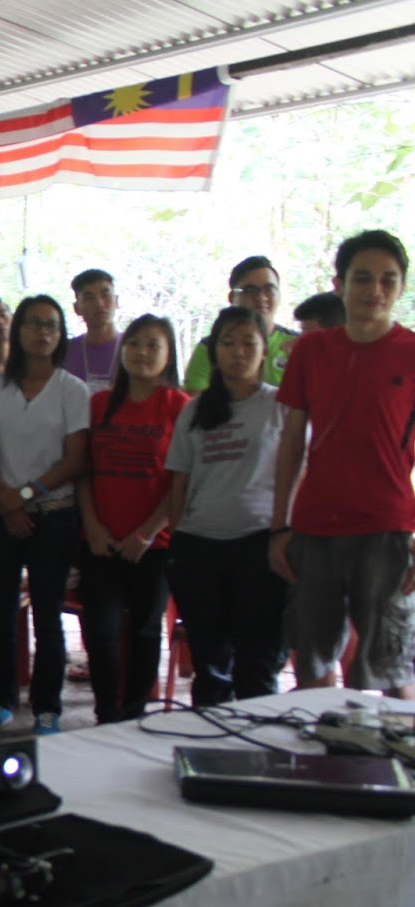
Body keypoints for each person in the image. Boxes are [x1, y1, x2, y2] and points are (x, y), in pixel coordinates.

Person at [272, 230, 415, 698]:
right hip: (315, 527)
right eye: (363, 278)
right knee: (311, 665)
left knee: (391, 669)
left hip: (388, 527)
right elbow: (291, 444)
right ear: (340, 284)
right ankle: (322, 743)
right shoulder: (311, 351)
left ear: (401, 288)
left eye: (388, 280)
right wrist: (279, 527)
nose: (375, 290)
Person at [0, 295, 90, 735]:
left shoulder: (72, 390)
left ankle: (47, 707)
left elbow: (75, 460)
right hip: (0, 513)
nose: (42, 332)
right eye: (34, 323)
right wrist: (6, 501)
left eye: (51, 325)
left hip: (53, 514)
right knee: (0, 611)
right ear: (18, 330)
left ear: (61, 335)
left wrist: (22, 495)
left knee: (47, 613)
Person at [165, 306, 288, 705]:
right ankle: (209, 736)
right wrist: (177, 541)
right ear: (214, 352)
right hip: (199, 547)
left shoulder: (282, 405)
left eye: (248, 343)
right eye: (228, 343)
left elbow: (300, 475)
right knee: (210, 665)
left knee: (257, 664)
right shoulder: (194, 409)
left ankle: (259, 742)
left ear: (264, 350)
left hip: (259, 545)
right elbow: (179, 479)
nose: (238, 352)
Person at [76, 314, 188, 723]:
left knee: (145, 631)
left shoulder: (180, 407)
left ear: (168, 354)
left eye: (153, 345)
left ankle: (135, 714)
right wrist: (92, 526)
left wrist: (146, 533)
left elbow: (182, 481)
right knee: (100, 632)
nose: (142, 352)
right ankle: (106, 715)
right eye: (135, 343)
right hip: (100, 540)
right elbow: (83, 472)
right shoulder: (98, 404)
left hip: (154, 544)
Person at [183, 256, 299, 392]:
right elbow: (197, 401)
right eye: (251, 290)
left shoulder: (298, 343)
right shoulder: (209, 348)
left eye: (269, 289)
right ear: (232, 297)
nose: (261, 297)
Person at [64, 269, 120, 393]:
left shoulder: (133, 347)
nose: (99, 304)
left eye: (105, 295)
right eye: (89, 298)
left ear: (116, 301)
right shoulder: (65, 351)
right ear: (76, 308)